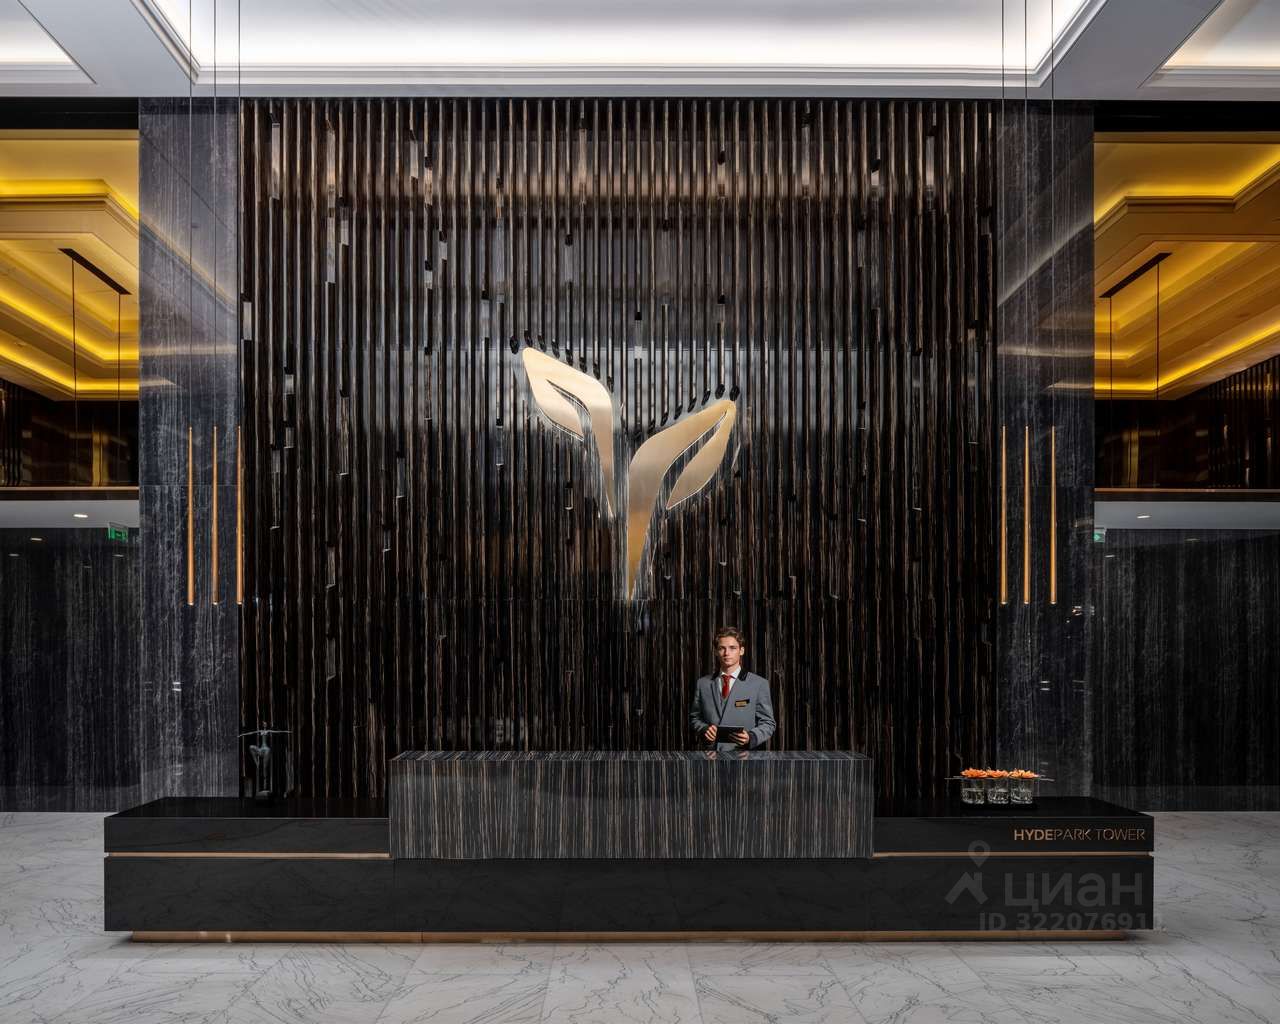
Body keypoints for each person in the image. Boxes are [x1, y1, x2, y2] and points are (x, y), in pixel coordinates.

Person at [689, 627, 776, 751]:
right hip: (711, 756)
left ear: (741, 651)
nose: (726, 653)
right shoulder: (703, 684)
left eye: (732, 648)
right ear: (716, 652)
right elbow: (695, 717)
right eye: (721, 648)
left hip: (744, 756)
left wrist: (751, 737)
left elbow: (768, 723)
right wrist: (704, 729)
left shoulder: (759, 684)